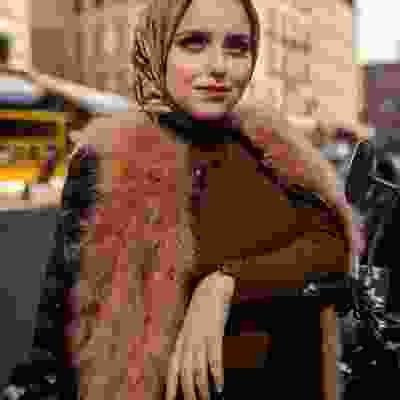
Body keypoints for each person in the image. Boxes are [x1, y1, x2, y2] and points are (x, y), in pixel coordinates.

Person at [57, 0, 359, 400]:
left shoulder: (271, 149)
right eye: (193, 43)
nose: (219, 66)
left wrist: (225, 284)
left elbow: (332, 245)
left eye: (237, 47)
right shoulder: (112, 161)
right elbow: (61, 320)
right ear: (157, 46)